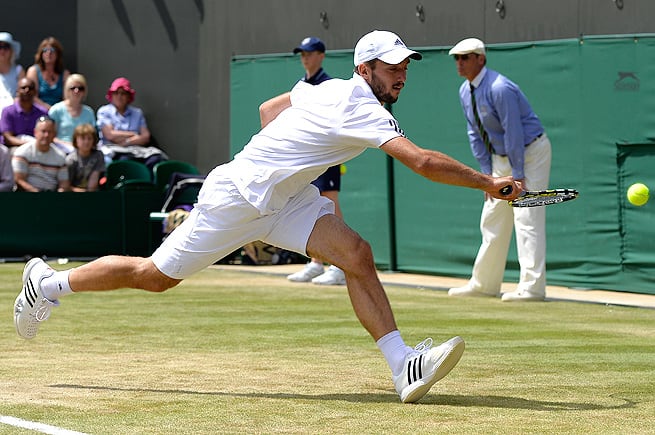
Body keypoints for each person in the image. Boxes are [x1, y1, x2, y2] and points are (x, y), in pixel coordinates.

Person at [13, 30, 520, 404]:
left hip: (287, 200)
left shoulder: (324, 89)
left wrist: (286, 159)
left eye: (405, 66)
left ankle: (402, 365)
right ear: (365, 70)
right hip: (237, 198)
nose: (401, 75)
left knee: (356, 255)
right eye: (391, 68)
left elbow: (267, 110)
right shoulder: (360, 106)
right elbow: (422, 162)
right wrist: (486, 183)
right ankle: (48, 284)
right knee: (154, 277)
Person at [446, 38, 552, 302]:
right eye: (457, 58)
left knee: (526, 217)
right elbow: (474, 133)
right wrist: (487, 176)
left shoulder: (500, 88)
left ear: (480, 59)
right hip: (500, 159)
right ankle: (484, 284)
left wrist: (518, 174)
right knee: (492, 217)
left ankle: (532, 289)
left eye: (465, 57)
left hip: (530, 153)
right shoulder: (464, 91)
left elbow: (513, 131)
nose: (459, 62)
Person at [286, 36, 348, 286]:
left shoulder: (329, 86)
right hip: (307, 155)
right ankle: (316, 262)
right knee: (312, 205)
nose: (305, 58)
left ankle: (340, 265)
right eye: (302, 53)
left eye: (310, 53)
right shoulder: (301, 85)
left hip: (326, 153)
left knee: (330, 203)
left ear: (321, 55)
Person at [96, 77, 167, 170]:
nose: (119, 96)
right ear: (111, 95)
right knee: (126, 161)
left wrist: (126, 142)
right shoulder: (104, 111)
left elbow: (146, 137)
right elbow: (110, 135)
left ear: (129, 96)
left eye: (123, 93)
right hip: (112, 151)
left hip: (136, 150)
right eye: (116, 93)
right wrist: (133, 134)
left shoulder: (137, 113)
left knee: (156, 159)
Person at [11, 115, 70, 192]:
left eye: (50, 132)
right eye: (43, 131)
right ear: (35, 132)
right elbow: (19, 180)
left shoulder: (60, 156)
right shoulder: (22, 152)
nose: (46, 135)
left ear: (55, 134)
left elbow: (64, 184)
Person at [48, 73, 96, 154]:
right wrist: (70, 146)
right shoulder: (56, 110)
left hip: (84, 151)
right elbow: (50, 136)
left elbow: (92, 136)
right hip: (60, 150)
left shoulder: (89, 112)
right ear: (66, 90)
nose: (76, 91)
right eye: (73, 88)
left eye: (80, 88)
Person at [0, 77, 47, 148]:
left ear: (35, 92)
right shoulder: (8, 111)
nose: (27, 90)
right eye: (23, 88)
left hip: (36, 148)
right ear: (17, 91)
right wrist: (29, 144)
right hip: (13, 148)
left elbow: (46, 135)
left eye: (30, 88)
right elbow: (8, 138)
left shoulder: (42, 113)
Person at [26, 37, 70, 109]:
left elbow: (67, 98)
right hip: (39, 111)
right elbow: (32, 97)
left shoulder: (65, 74)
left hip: (59, 111)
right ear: (41, 54)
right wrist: (49, 109)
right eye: (45, 50)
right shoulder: (33, 71)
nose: (49, 53)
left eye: (52, 50)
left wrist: (57, 111)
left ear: (58, 54)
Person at [66, 123, 105, 192]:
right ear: (76, 140)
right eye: (83, 138)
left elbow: (92, 185)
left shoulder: (98, 155)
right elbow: (66, 185)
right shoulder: (70, 160)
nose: (86, 142)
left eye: (89, 138)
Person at [0, 32, 25, 118]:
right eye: (0, 47)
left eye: (6, 47)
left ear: (11, 51)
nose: (2, 51)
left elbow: (23, 94)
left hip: (14, 113)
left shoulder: (19, 70)